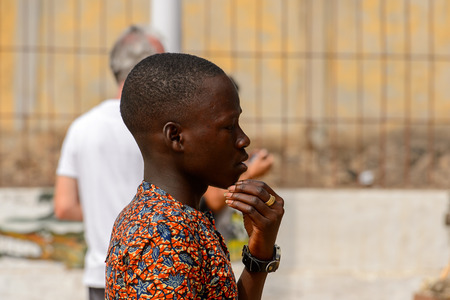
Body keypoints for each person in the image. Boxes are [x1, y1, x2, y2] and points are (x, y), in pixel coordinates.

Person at [105, 53, 284, 299]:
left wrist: (260, 252)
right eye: (229, 127)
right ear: (176, 137)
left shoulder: (181, 220)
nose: (243, 139)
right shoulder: (161, 236)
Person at [53, 25, 164, 300]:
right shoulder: (162, 128)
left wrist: (103, 212)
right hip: (157, 273)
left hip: (102, 276)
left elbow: (64, 206)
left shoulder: (81, 127)